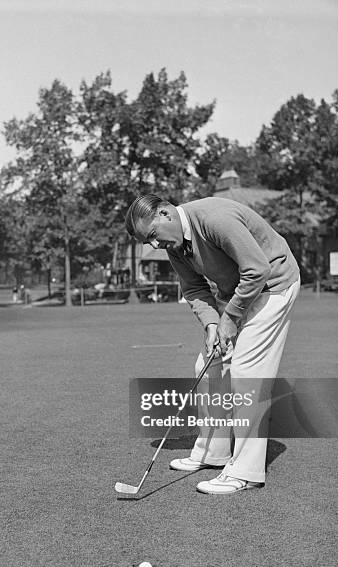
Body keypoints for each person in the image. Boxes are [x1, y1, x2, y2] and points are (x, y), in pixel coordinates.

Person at [125, 194, 300, 494]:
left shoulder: (214, 219)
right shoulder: (176, 245)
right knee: (208, 367)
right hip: (240, 293)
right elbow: (194, 288)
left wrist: (229, 318)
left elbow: (258, 269)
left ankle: (246, 472)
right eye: (147, 242)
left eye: (153, 236)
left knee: (247, 375)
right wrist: (211, 324)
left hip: (273, 288)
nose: (155, 245)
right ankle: (213, 452)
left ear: (165, 213)